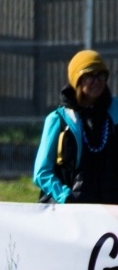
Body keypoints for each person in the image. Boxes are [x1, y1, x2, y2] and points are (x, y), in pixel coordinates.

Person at [34, 49, 118, 204]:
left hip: (112, 214)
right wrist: (65, 198)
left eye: (101, 75)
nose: (97, 81)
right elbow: (42, 172)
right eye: (90, 76)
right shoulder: (58, 120)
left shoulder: (115, 112)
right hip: (72, 215)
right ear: (77, 80)